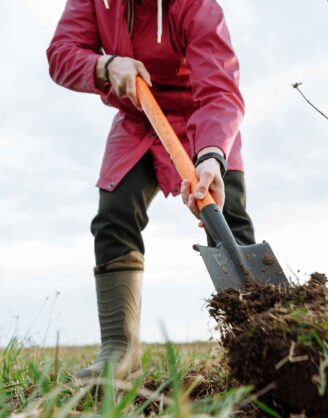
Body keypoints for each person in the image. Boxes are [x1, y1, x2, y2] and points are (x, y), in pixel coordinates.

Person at [47, 0, 254, 379]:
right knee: (114, 214)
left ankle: (254, 344)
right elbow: (61, 55)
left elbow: (220, 92)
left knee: (227, 220)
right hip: (138, 118)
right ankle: (120, 349)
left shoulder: (196, 7)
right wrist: (105, 65)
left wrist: (211, 156)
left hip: (201, 118)